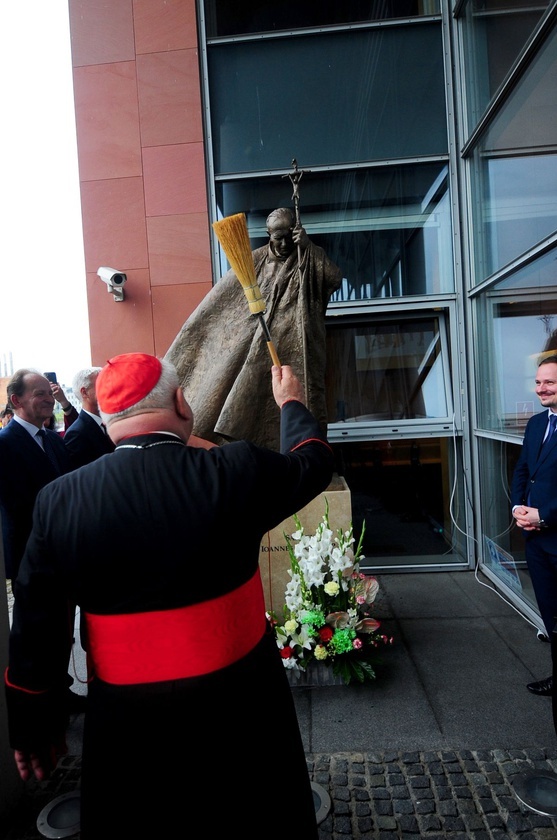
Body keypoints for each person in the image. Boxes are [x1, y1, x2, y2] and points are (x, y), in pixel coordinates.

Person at [5, 352, 334, 839]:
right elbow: (312, 460)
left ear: (110, 420)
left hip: (127, 723)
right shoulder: (234, 469)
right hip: (242, 707)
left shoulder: (59, 500)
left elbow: (37, 627)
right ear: (182, 402)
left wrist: (35, 727)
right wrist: (290, 403)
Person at [166, 206, 342, 450]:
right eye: (277, 239)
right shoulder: (254, 261)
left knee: (305, 397)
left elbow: (334, 279)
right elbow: (223, 305)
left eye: (287, 238)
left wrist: (309, 247)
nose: (282, 245)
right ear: (269, 235)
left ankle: (308, 452)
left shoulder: (309, 254)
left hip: (302, 345)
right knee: (255, 403)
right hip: (262, 348)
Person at [511, 354, 557, 697]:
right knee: (550, 615)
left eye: (549, 382)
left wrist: (544, 514)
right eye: (538, 382)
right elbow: (523, 470)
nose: (541, 388)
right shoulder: (537, 423)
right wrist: (518, 507)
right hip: (536, 541)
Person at [63, 367, 115, 469]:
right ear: (84, 392)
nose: (109, 389)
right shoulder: (76, 434)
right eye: (102, 385)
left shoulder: (113, 422)